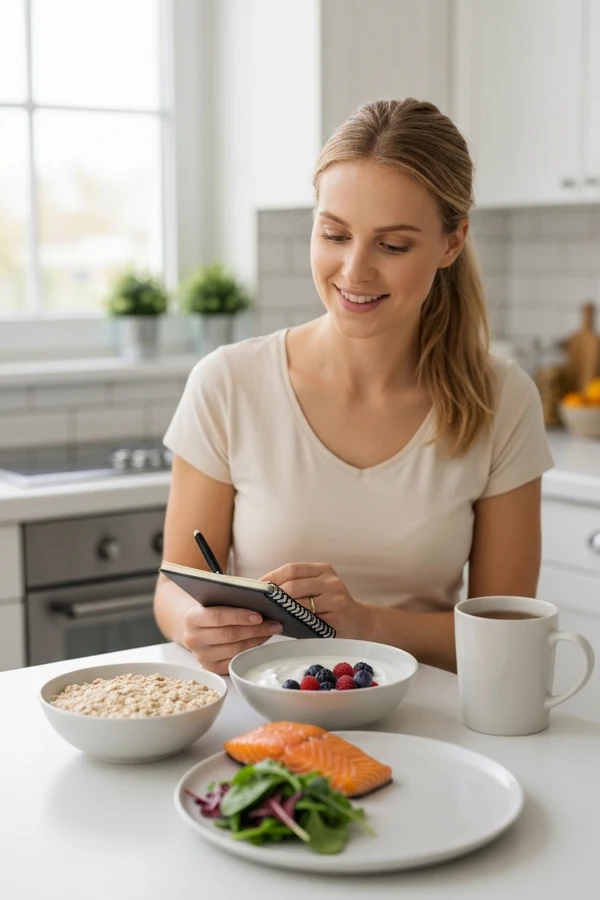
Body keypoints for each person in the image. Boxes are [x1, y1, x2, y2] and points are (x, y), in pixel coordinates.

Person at [154, 98, 553, 675]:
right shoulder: (227, 383)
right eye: (334, 235)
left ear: (451, 242)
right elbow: (175, 587)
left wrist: (366, 624)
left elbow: (509, 633)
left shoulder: (502, 400)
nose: (355, 271)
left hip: (431, 720)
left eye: (392, 245)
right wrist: (193, 624)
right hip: (269, 720)